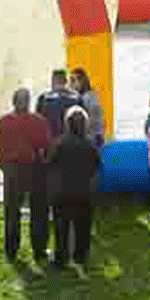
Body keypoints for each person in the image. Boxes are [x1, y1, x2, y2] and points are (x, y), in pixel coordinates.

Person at [0, 88, 52, 261]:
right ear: (29, 102)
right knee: (39, 212)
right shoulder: (39, 121)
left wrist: (6, 168)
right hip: (35, 169)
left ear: (13, 102)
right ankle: (39, 250)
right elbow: (48, 148)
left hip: (12, 171)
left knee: (12, 212)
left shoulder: (3, 122)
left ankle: (11, 251)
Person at [48, 107, 101, 269]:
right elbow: (96, 166)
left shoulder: (58, 144)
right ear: (85, 125)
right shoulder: (90, 145)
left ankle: (61, 258)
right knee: (83, 227)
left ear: (67, 124)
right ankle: (81, 256)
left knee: (61, 227)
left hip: (62, 192)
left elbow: (50, 164)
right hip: (84, 193)